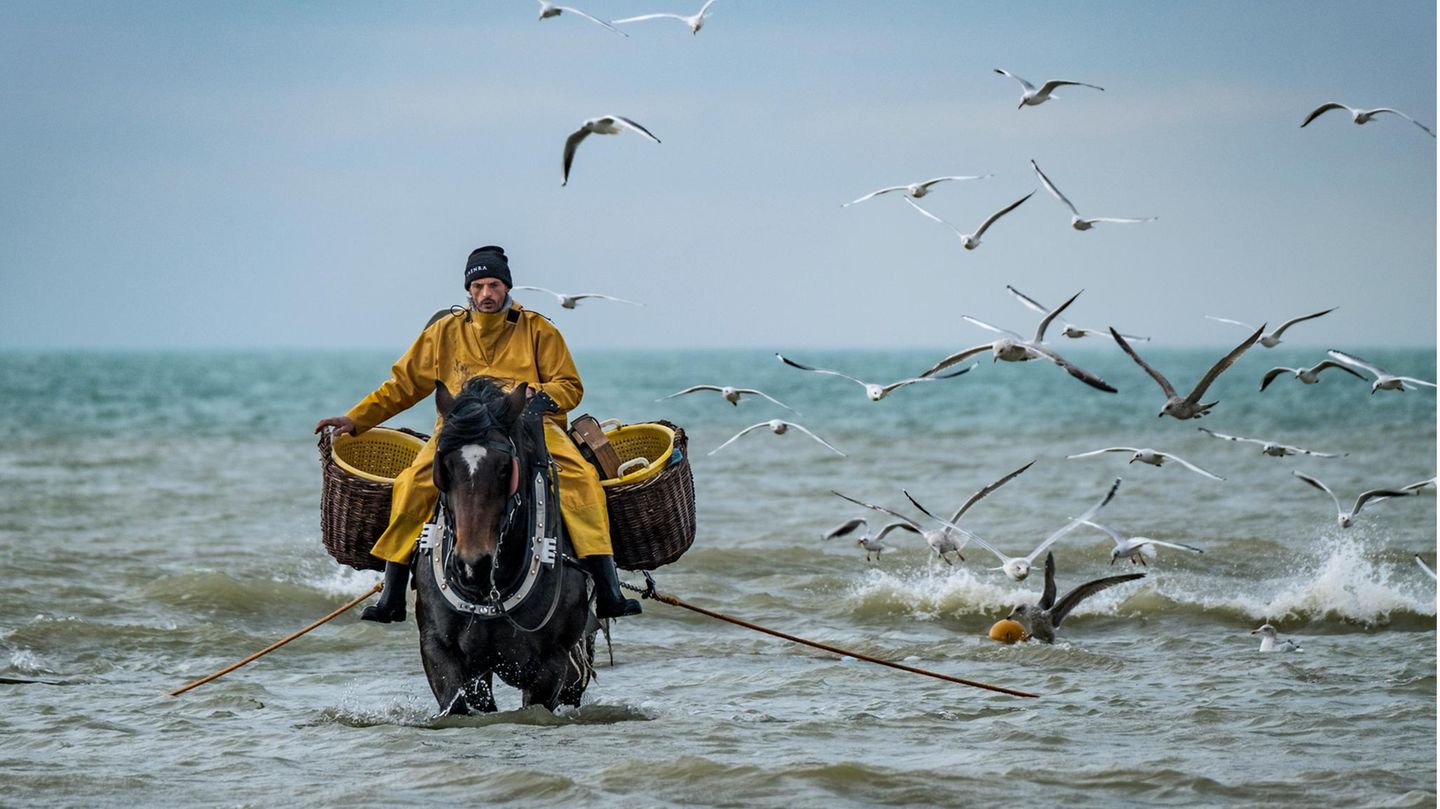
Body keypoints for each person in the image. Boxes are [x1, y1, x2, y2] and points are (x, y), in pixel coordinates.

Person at [314, 245, 641, 623]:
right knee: (411, 483)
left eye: (495, 285)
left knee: (581, 480)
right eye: (479, 285)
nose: (487, 293)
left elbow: (570, 384)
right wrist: (355, 420)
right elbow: (401, 386)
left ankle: (608, 590)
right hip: (459, 429)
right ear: (468, 290)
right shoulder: (442, 333)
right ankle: (391, 596)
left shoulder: (539, 329)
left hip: (528, 423)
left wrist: (538, 397)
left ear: (507, 288)